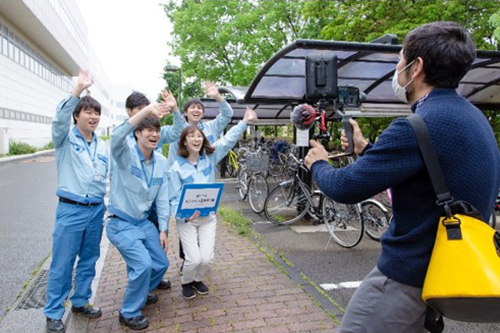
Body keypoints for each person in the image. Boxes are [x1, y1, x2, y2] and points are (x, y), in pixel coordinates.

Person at [304, 21, 500, 333]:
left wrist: (319, 164)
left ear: (416, 67)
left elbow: (346, 187)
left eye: (399, 60)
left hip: (405, 277)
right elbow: (432, 175)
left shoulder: (416, 125)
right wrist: (366, 149)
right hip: (444, 268)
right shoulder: (472, 118)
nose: (398, 69)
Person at [168, 107, 257, 300]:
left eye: (199, 136)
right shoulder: (176, 168)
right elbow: (173, 198)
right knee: (192, 259)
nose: (196, 139)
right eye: (191, 136)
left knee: (207, 259)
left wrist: (244, 122)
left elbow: (227, 140)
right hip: (187, 219)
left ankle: (198, 279)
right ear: (184, 141)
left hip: (208, 217)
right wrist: (183, 215)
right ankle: (186, 282)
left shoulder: (210, 158)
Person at [106, 94, 177, 330]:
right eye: (149, 130)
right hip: (121, 223)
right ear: (137, 132)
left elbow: (163, 198)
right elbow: (117, 136)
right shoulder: (124, 155)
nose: (155, 134)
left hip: (144, 223)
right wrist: (146, 112)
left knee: (160, 263)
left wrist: (164, 229)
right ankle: (128, 312)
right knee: (143, 265)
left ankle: (142, 291)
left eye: (157, 130)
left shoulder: (161, 160)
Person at [44, 70, 108, 333]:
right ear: (76, 115)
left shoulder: (102, 145)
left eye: (96, 113)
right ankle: (53, 313)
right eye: (87, 112)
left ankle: (80, 301)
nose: (93, 116)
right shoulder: (65, 139)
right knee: (62, 263)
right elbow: (59, 120)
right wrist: (77, 90)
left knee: (89, 259)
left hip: (96, 209)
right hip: (71, 209)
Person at [165, 80, 234, 271]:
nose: (196, 111)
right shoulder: (178, 134)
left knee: (204, 227)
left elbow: (228, 114)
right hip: (185, 187)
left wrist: (217, 96)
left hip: (205, 184)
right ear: (185, 112)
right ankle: (188, 262)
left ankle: (198, 264)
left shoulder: (211, 128)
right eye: (192, 108)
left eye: (199, 108)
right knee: (187, 224)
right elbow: (172, 162)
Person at [121, 90, 185, 290]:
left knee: (159, 238)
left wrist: (175, 109)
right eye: (139, 110)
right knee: (137, 249)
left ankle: (154, 278)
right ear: (128, 111)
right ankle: (141, 284)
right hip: (133, 205)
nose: (144, 113)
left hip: (155, 199)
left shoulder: (154, 131)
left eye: (146, 108)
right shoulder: (124, 138)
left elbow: (177, 131)